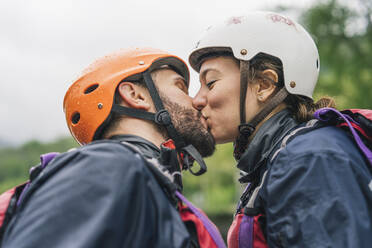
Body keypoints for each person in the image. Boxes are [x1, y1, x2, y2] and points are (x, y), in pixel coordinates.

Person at [2, 48, 226, 248]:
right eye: (180, 86)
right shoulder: (108, 166)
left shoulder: (143, 181)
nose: (196, 101)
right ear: (135, 95)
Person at [189, 11, 372, 247]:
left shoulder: (308, 160)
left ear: (264, 85)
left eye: (210, 82)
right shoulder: (282, 161)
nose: (197, 100)